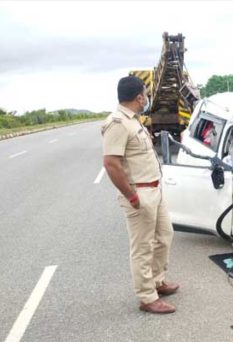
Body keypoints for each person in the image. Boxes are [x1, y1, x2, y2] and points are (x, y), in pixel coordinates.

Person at [101, 76, 179, 314]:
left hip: (154, 190)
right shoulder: (117, 123)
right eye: (145, 94)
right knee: (143, 247)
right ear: (138, 97)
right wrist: (131, 196)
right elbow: (111, 163)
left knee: (165, 235)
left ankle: (157, 281)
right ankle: (147, 297)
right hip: (140, 194)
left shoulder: (134, 121)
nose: (146, 98)